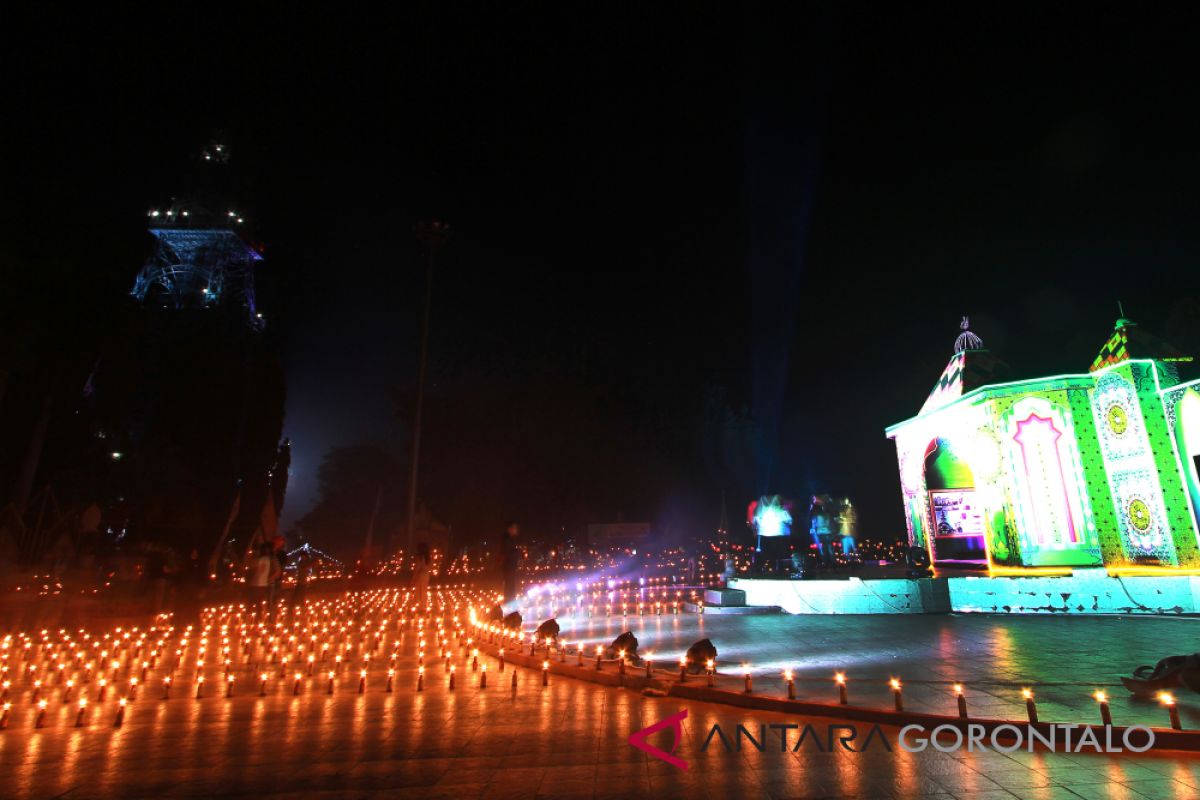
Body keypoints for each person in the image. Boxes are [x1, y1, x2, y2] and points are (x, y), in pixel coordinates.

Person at [248, 543, 279, 608]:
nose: (266, 551)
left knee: (269, 603)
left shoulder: (273, 559)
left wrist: (270, 578)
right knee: (257, 603)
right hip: (257, 584)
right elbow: (251, 566)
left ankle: (268, 616)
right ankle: (257, 616)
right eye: (265, 549)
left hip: (269, 584)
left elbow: (277, 571)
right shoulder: (258, 559)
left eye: (268, 549)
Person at [500, 522, 520, 602]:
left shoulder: (510, 539)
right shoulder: (507, 540)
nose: (516, 530)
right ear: (510, 529)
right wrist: (516, 553)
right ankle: (509, 603)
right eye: (514, 528)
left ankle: (510, 602)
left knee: (510, 586)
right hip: (509, 566)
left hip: (510, 566)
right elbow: (507, 553)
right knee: (510, 587)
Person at [413, 542, 431, 607]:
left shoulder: (420, 556)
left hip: (420, 574)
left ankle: (417, 605)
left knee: (418, 590)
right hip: (426, 575)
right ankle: (423, 606)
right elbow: (430, 567)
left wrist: (414, 577)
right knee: (424, 590)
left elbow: (417, 567)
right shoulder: (429, 557)